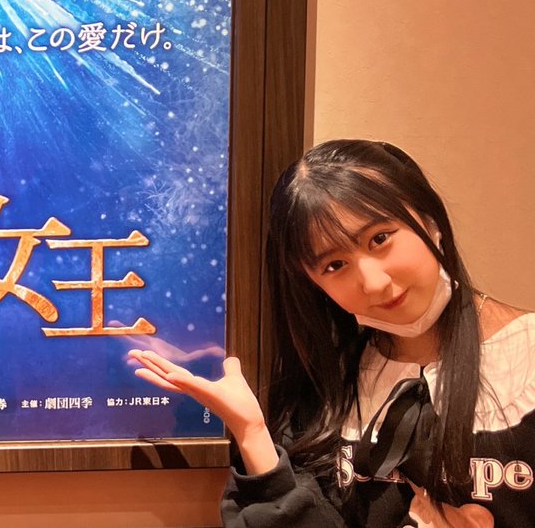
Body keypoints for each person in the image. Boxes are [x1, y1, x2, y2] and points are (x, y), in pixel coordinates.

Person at [131, 139, 534, 526]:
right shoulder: (327, 385)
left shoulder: (526, 360)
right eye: (334, 265)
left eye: (380, 239)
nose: (374, 283)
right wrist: (252, 433)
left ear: (429, 221)